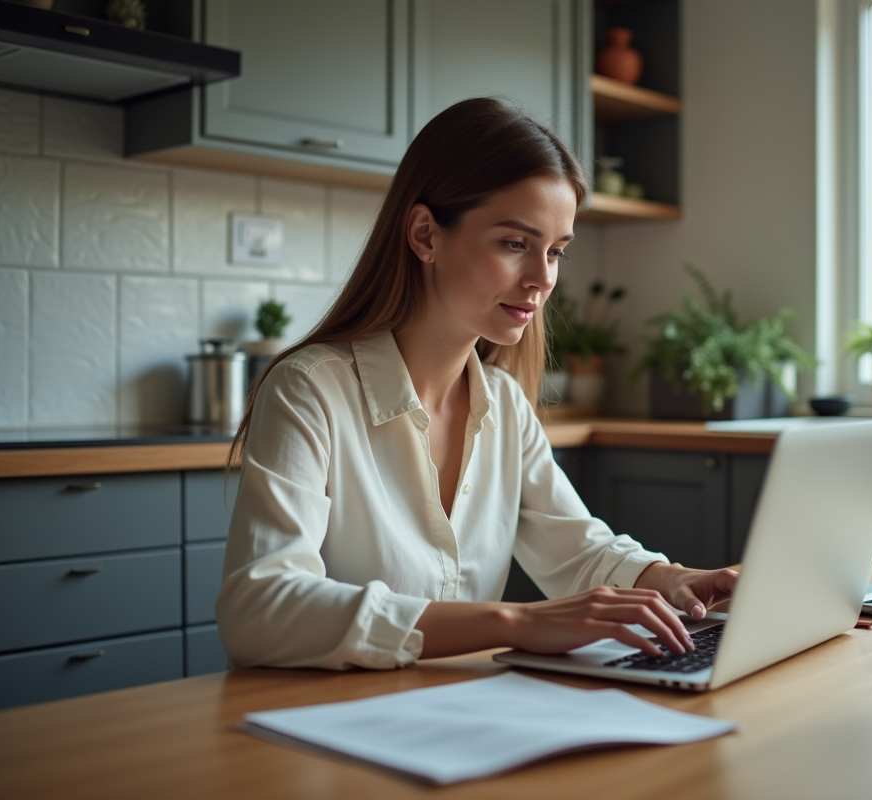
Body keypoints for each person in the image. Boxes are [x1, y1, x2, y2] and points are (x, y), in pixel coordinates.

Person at [217, 98, 738, 670]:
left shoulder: (505, 405)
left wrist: (674, 578)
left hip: (456, 710)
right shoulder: (310, 390)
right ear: (425, 235)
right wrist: (516, 621)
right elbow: (258, 607)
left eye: (556, 251)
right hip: (323, 722)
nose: (542, 279)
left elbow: (575, 546)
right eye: (515, 243)